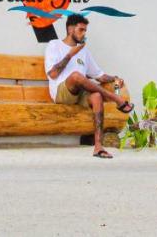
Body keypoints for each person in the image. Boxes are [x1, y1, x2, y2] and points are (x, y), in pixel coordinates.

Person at [45, 14, 133, 158]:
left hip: (80, 93)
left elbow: (99, 75)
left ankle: (98, 146)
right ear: (70, 29)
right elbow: (53, 74)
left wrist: (115, 78)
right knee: (76, 76)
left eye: (85, 30)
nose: (84, 33)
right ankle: (115, 99)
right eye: (81, 30)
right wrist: (70, 55)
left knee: (97, 96)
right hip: (61, 93)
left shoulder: (84, 52)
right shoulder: (54, 45)